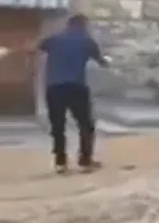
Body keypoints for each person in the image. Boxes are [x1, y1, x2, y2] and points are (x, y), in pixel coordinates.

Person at [34, 14, 108, 174]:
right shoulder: (88, 42)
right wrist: (107, 61)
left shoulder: (54, 39)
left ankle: (60, 162)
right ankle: (85, 160)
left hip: (54, 88)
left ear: (68, 25)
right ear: (84, 26)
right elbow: (102, 62)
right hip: (76, 87)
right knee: (85, 125)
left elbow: (35, 48)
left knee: (58, 126)